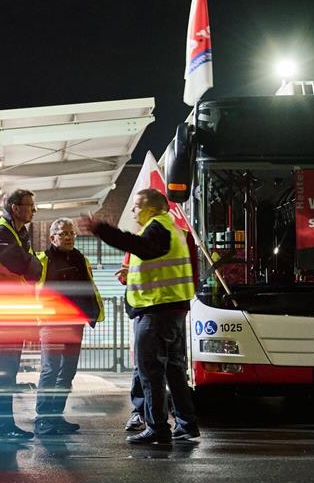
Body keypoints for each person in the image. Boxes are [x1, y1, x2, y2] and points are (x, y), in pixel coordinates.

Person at [81, 189, 200, 444]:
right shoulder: (173, 229)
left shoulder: (157, 227)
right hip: (173, 308)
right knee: (175, 370)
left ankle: (157, 427)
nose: (134, 211)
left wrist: (102, 229)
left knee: (150, 371)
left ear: (152, 208)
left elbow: (140, 247)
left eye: (136, 206)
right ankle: (186, 423)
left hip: (156, 310)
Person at [0, 189, 44, 441]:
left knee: (8, 371)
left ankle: (4, 425)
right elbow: (23, 265)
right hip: (1, 313)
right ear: (15, 208)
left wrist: (30, 263)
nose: (33, 210)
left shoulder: (19, 234)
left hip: (13, 312)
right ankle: (1, 426)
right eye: (30, 205)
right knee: (4, 371)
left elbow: (33, 269)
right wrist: (30, 262)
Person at [34, 217, 104, 436]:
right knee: (51, 369)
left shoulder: (80, 259)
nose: (69, 237)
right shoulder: (43, 260)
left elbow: (88, 288)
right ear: (52, 237)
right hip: (52, 324)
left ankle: (55, 416)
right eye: (63, 233)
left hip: (75, 325)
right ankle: (43, 419)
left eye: (72, 233)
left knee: (67, 372)